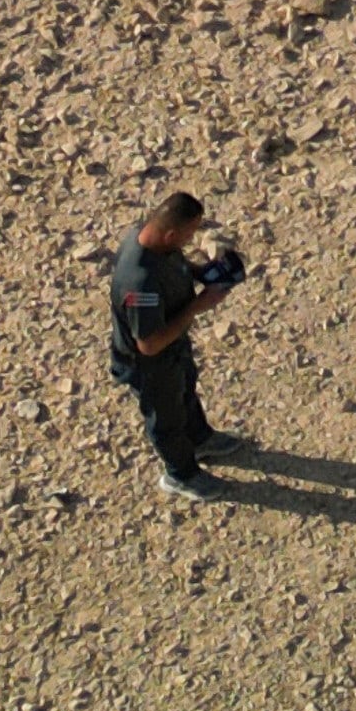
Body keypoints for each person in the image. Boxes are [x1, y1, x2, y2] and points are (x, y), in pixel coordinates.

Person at [108, 185, 244, 501]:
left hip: (173, 348)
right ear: (170, 235)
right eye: (189, 234)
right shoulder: (139, 283)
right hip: (150, 364)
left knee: (184, 389)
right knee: (165, 415)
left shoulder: (153, 238)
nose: (190, 241)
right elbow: (149, 345)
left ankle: (199, 438)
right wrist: (198, 306)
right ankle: (180, 474)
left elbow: (176, 263)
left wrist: (204, 274)